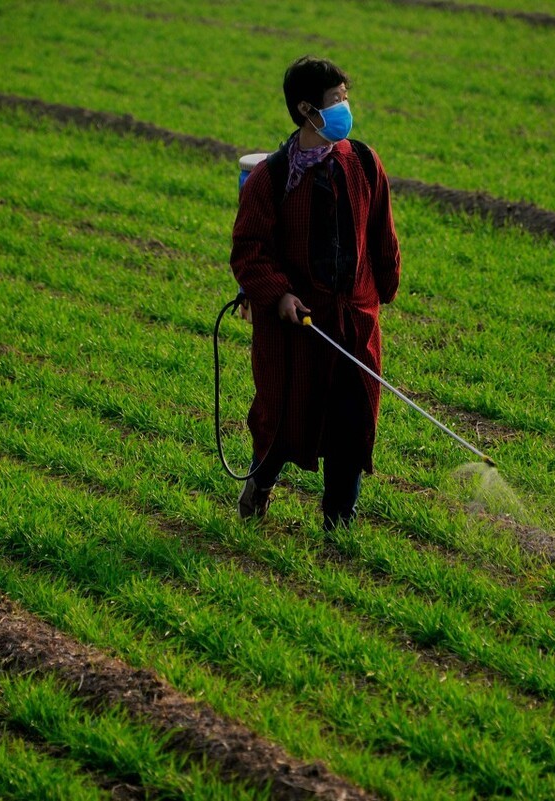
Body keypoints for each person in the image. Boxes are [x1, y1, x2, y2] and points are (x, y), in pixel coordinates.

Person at [230, 55, 401, 530]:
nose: (346, 108)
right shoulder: (271, 178)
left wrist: (382, 288)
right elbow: (248, 250)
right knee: (284, 421)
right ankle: (259, 485)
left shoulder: (364, 162)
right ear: (307, 110)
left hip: (354, 322)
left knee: (351, 423)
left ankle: (338, 526)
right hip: (295, 330)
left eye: (346, 97)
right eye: (336, 101)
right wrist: (279, 295)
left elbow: (382, 232)